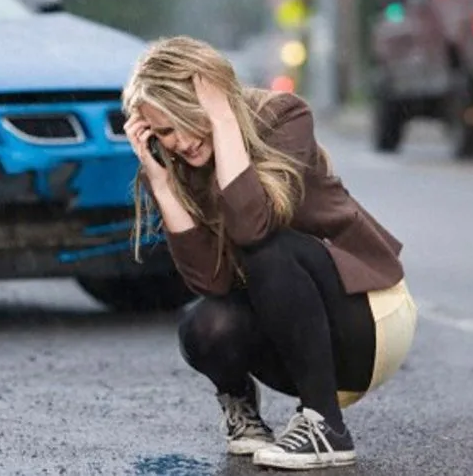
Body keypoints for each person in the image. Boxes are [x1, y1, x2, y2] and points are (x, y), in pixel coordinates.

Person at [121, 36, 418, 471]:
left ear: (213, 99)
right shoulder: (179, 165)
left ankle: (326, 428)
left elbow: (252, 227)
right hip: (298, 348)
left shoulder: (284, 116)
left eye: (186, 119)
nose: (180, 141)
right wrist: (163, 185)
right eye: (164, 132)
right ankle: (246, 415)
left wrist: (222, 120)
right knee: (203, 324)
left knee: (268, 249)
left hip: (369, 321)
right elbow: (211, 282)